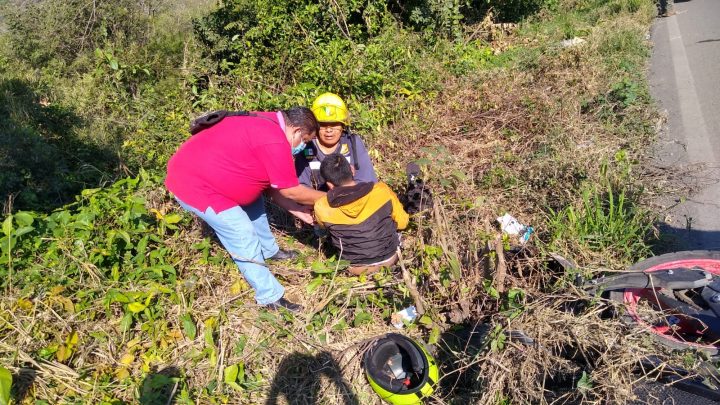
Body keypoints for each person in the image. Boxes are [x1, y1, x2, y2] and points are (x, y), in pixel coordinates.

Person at [165, 107, 325, 312]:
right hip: (196, 185)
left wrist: (300, 212)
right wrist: (332, 199)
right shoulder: (274, 140)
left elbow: (274, 190)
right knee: (241, 231)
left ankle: (269, 252)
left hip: (210, 173)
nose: (302, 147)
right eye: (304, 141)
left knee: (253, 199)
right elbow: (291, 191)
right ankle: (270, 298)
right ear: (296, 131)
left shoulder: (269, 121)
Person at [313, 154, 409, 275]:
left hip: (354, 268)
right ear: (352, 170)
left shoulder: (322, 206)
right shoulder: (382, 190)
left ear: (329, 184)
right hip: (390, 259)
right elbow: (403, 223)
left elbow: (322, 230)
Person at [295, 93, 378, 191]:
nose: (329, 130)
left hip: (353, 201)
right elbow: (301, 186)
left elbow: (367, 180)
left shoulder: (352, 143)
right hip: (316, 203)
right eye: (323, 125)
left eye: (334, 124)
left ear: (343, 125)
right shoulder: (306, 146)